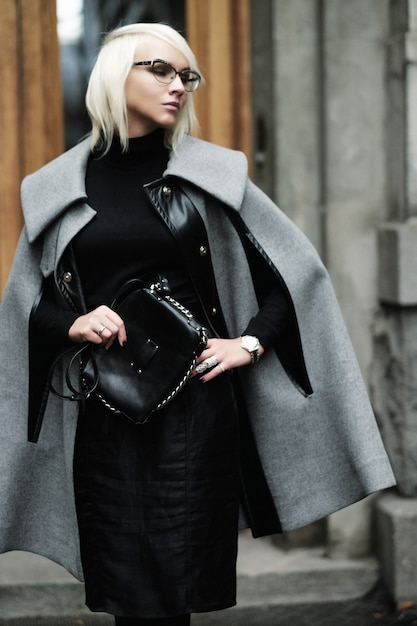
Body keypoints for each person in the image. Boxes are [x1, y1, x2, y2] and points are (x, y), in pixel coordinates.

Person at [0, 22, 395, 626]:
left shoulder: (213, 177)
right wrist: (77, 324)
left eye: (187, 75)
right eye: (159, 69)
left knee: (176, 585)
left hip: (195, 408)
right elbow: (30, 307)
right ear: (115, 74)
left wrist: (250, 343)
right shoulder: (54, 188)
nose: (178, 85)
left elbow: (294, 278)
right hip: (103, 414)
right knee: (122, 588)